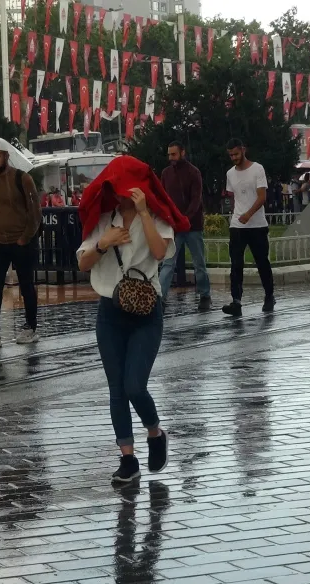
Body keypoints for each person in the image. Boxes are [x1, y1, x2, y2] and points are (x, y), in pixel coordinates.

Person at [76, 155, 189, 483]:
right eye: (117, 187)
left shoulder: (155, 217)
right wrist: (103, 243)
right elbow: (84, 263)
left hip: (145, 313)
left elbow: (159, 252)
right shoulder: (104, 219)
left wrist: (142, 213)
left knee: (134, 386)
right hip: (110, 313)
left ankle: (155, 433)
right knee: (116, 389)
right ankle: (128, 459)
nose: (123, 193)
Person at [0, 148, 42, 346]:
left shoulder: (22, 179)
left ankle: (30, 327)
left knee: (26, 285)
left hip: (21, 242)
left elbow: (35, 212)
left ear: (6, 156)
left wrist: (25, 237)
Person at [221, 138, 275, 317]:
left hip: (257, 224)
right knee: (236, 264)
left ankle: (269, 295)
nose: (234, 157)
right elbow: (233, 195)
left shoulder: (257, 169)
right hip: (237, 225)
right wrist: (236, 214)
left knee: (262, 262)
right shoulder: (230, 173)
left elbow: (261, 197)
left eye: (236, 154)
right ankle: (236, 300)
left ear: (243, 150)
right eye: (231, 155)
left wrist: (249, 214)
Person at [158, 141, 211, 311]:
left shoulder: (194, 172)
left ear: (182, 153)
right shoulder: (166, 173)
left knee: (199, 263)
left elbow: (196, 200)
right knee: (168, 264)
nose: (171, 158)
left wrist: (185, 218)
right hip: (174, 227)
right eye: (169, 155)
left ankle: (204, 295)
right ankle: (160, 298)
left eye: (173, 154)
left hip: (192, 226)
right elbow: (163, 198)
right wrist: (169, 219)